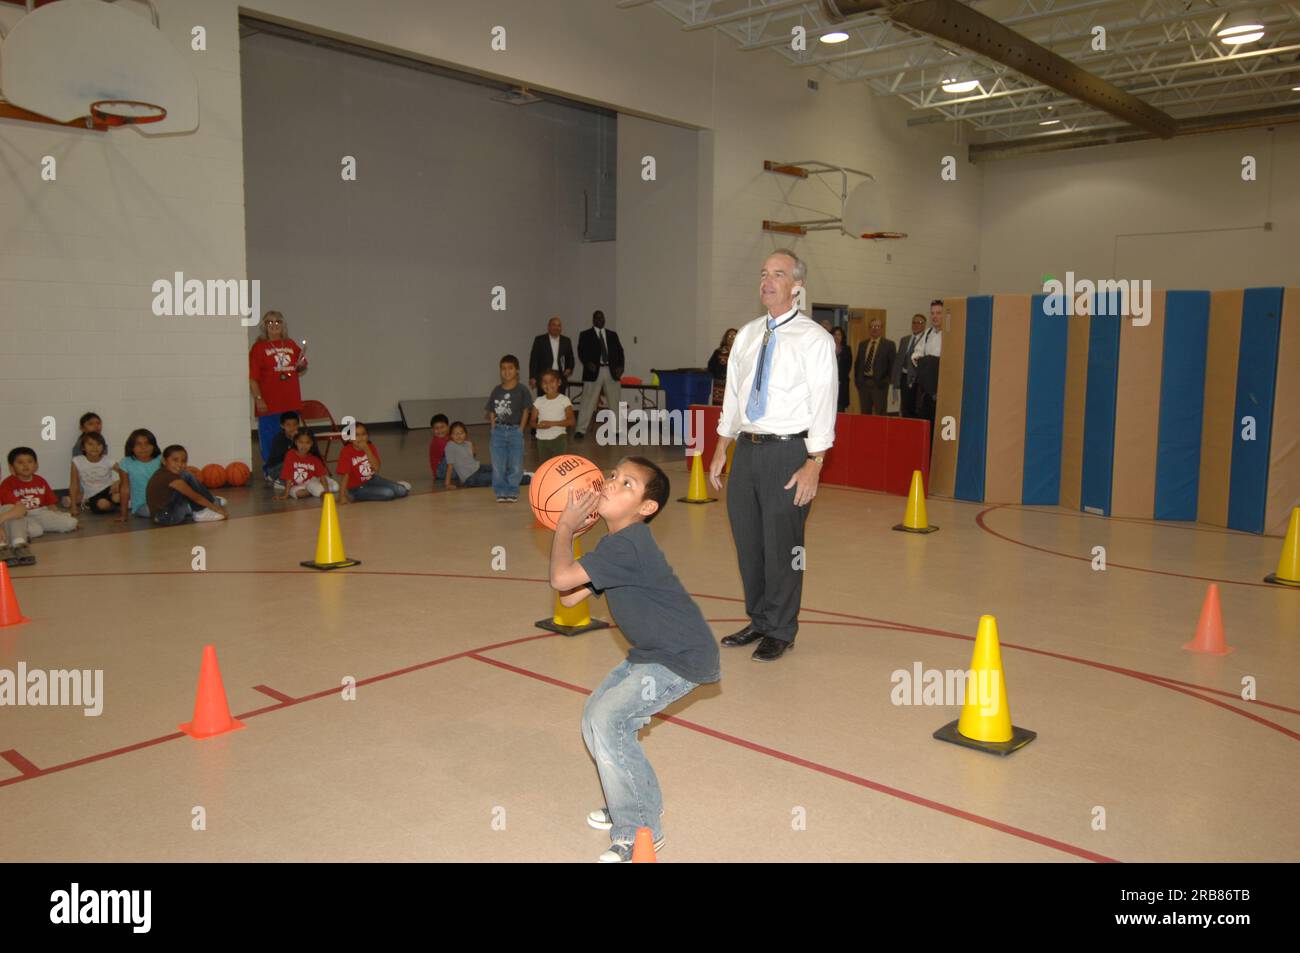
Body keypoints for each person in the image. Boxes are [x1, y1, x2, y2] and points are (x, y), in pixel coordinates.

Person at [547, 457, 719, 862]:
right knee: (594, 718)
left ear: (646, 508)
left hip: (679, 657)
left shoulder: (629, 544)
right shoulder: (616, 545)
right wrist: (576, 536)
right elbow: (569, 597)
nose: (610, 483)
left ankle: (639, 828)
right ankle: (633, 800)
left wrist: (565, 527)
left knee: (610, 721)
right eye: (613, 476)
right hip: (652, 654)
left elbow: (559, 579)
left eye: (627, 483)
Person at [707, 249, 836, 663]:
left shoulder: (814, 340)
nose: (767, 281)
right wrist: (722, 446)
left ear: (797, 286)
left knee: (783, 547)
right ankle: (760, 619)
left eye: (778, 274)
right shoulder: (746, 336)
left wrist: (815, 462)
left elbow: (824, 403)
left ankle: (781, 629)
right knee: (749, 544)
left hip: (789, 452)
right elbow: (733, 396)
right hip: (747, 449)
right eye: (764, 273)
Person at [248, 310, 307, 472]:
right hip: (270, 403)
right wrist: (258, 398)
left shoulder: (291, 344)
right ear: (264, 326)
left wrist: (301, 366)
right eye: (269, 322)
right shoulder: (258, 348)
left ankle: (293, 469)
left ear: (283, 325)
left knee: (293, 438)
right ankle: (272, 471)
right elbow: (253, 378)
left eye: (277, 321)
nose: (274, 325)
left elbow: (300, 368)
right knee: (271, 440)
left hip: (290, 401)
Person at [1, 447, 79, 566]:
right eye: (20, 462)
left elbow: (51, 504)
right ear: (11, 468)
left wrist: (59, 516)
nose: (25, 465)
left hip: (41, 513)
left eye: (29, 461)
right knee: (36, 530)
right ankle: (19, 538)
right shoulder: (7, 483)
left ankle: (27, 532)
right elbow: (15, 509)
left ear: (36, 465)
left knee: (70, 523)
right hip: (23, 516)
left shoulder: (40, 480)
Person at [485, 354, 534, 502]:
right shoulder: (496, 390)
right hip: (498, 432)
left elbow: (526, 410)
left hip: (515, 432)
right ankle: (500, 491)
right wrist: (493, 427)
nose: (507, 372)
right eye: (503, 368)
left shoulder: (522, 390)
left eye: (510, 368)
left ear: (517, 370)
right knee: (498, 465)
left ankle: (512, 490)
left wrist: (521, 429)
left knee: (516, 465)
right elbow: (491, 409)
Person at [147, 446, 229, 525]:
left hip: (163, 513)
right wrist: (217, 509)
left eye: (183, 461)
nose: (180, 464)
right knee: (186, 477)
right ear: (164, 461)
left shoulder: (163, 471)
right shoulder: (169, 478)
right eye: (175, 460)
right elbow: (196, 497)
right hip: (168, 517)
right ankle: (200, 512)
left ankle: (211, 500)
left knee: (185, 475)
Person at [574, 311, 624, 439]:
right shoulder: (585, 335)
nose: (600, 320)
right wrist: (587, 363)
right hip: (593, 372)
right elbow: (581, 352)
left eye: (602, 318)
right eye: (597, 318)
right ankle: (580, 430)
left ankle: (617, 430)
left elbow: (620, 352)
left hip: (611, 371)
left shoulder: (612, 335)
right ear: (593, 320)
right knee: (587, 402)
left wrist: (621, 367)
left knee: (615, 402)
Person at [336, 423, 410, 504]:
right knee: (388, 493)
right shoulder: (346, 452)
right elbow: (345, 476)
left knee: (402, 491)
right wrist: (342, 496)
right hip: (356, 488)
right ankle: (355, 495)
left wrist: (367, 449)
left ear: (367, 436)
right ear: (350, 439)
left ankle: (395, 486)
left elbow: (376, 468)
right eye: (357, 435)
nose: (361, 438)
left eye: (363, 434)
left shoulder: (370, 447)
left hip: (372, 479)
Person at [275, 431, 340, 500]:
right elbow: (289, 475)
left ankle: (322, 488)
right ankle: (317, 490)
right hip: (295, 485)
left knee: (335, 487)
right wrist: (286, 494)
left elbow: (322, 476)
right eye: (301, 442)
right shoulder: (290, 454)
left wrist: (327, 492)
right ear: (296, 442)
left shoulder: (314, 458)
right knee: (298, 493)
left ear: (311, 444)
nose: (304, 445)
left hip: (311, 481)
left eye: (307, 443)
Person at [116, 429, 162, 522]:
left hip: (163, 501)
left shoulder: (161, 459)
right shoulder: (126, 463)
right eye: (138, 444)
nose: (143, 447)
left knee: (185, 474)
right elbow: (125, 489)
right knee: (150, 511)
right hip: (142, 506)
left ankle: (175, 511)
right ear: (131, 447)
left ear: (153, 446)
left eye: (147, 443)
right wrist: (123, 515)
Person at [68, 432, 121, 514]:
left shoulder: (107, 460)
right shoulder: (77, 461)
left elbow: (125, 472)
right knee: (102, 504)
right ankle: (114, 506)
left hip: (109, 490)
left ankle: (118, 503)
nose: (95, 447)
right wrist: (73, 507)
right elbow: (73, 484)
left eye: (99, 444)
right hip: (93, 496)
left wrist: (119, 482)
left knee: (118, 497)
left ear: (103, 447)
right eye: (90, 444)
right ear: (83, 447)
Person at [912, 300, 944, 430]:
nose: (935, 316)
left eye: (938, 313)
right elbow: (917, 351)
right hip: (927, 388)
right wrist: (918, 357)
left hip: (942, 386)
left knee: (940, 424)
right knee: (926, 421)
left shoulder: (950, 334)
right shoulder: (928, 332)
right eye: (932, 313)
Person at [854, 317, 896, 416]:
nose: (874, 329)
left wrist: (886, 381)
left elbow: (893, 365)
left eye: (877, 326)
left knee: (880, 413)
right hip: (864, 384)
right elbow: (857, 364)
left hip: (879, 385)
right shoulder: (862, 344)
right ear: (869, 328)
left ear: (881, 328)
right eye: (872, 326)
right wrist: (858, 380)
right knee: (865, 413)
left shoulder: (889, 345)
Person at [530, 370, 574, 462]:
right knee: (545, 465)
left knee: (558, 465)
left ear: (559, 382)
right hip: (542, 440)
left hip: (559, 438)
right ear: (541, 384)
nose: (548, 385)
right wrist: (538, 426)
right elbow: (532, 422)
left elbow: (571, 421)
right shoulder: (538, 401)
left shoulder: (564, 400)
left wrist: (551, 423)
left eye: (551, 381)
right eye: (545, 382)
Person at [264, 412, 318, 486]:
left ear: (298, 425)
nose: (292, 428)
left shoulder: (300, 436)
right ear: (282, 426)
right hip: (276, 468)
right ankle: (278, 481)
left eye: (295, 425)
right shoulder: (279, 439)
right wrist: (294, 441)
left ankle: (303, 479)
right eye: (288, 425)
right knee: (294, 464)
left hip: (294, 465)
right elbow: (288, 457)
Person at [528, 316, 575, 396]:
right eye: (554, 325)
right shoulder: (540, 340)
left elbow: (570, 358)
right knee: (543, 399)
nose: (556, 327)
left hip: (560, 376)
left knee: (559, 400)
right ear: (549, 327)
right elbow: (534, 359)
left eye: (559, 325)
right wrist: (533, 377)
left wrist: (569, 368)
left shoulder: (566, 341)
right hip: (544, 376)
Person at [892, 313, 926, 418]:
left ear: (924, 325)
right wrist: (895, 380)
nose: (916, 325)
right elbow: (898, 360)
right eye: (914, 322)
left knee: (914, 408)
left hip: (917, 380)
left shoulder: (926, 340)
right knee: (905, 406)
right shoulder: (905, 340)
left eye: (919, 322)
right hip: (904, 377)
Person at [443, 422, 495, 489]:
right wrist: (447, 484)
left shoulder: (468, 443)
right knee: (496, 476)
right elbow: (450, 467)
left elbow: (471, 458)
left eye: (461, 433)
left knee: (497, 468)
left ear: (466, 434)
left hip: (478, 468)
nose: (458, 435)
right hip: (471, 478)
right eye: (455, 433)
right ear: (450, 435)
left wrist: (472, 446)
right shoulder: (450, 446)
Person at [707, 328, 738, 407]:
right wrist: (720, 375)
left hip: (735, 386)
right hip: (720, 387)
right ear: (726, 338)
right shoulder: (718, 352)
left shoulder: (741, 352)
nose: (731, 338)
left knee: (733, 407)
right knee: (719, 408)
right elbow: (711, 366)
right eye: (729, 336)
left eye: (734, 336)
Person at [832, 326, 852, 412]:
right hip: (829, 383)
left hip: (842, 383)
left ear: (842, 337)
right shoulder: (828, 348)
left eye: (839, 335)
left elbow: (848, 367)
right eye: (835, 334)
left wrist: (839, 379)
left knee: (840, 408)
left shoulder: (847, 349)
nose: (837, 337)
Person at [428, 414, 451, 483]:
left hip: (445, 470)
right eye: (436, 428)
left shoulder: (449, 437)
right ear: (432, 430)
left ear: (448, 427)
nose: (440, 430)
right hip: (441, 473)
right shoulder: (438, 442)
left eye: (442, 427)